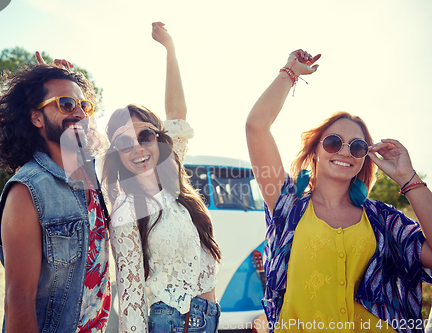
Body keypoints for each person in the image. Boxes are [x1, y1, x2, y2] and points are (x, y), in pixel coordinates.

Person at [246, 49, 432, 332]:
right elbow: (256, 126)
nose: (345, 151)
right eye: (334, 142)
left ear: (364, 159)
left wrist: (409, 178)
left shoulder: (383, 219)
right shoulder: (287, 204)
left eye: (357, 146)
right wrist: (290, 72)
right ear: (315, 150)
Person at [102, 22, 221, 333]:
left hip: (206, 319)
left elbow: (178, 114)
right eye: (124, 143)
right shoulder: (127, 211)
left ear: (159, 139)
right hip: (168, 324)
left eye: (145, 135)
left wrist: (170, 49)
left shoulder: (172, 176)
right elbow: (130, 298)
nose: (137, 148)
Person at [0, 57, 111, 332]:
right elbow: (19, 299)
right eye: (65, 104)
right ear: (36, 116)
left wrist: (68, 78)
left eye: (84, 106)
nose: (78, 113)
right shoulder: (27, 190)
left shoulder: (93, 179)